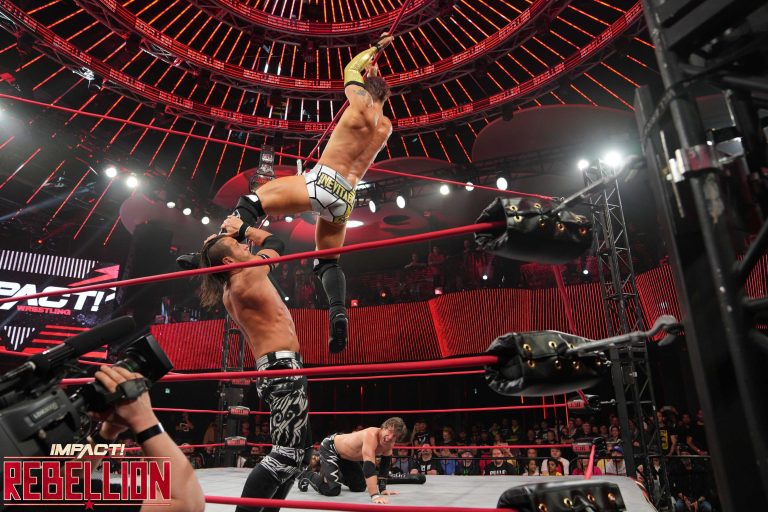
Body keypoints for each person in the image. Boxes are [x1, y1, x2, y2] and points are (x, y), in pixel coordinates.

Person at [181, 32, 395, 355]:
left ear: (366, 90)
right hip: (347, 197)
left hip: (323, 180)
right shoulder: (386, 126)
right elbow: (377, 100)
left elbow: (351, 68)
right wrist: (377, 84)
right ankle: (338, 313)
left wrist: (375, 49)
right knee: (327, 261)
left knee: (253, 201)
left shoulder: (359, 103)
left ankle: (207, 254)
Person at [199, 218, 312, 512]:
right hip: (283, 370)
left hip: (277, 368)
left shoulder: (232, 285)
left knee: (300, 453)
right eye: (238, 246)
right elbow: (276, 243)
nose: (245, 246)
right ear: (228, 261)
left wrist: (230, 238)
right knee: (286, 455)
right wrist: (244, 228)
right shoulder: (247, 276)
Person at [24, 365, 205, 512]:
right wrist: (143, 419)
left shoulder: (21, 486)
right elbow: (189, 505)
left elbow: (63, 484)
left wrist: (107, 434)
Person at [298, 417, 407, 504]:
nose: (390, 437)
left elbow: (385, 465)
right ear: (383, 428)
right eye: (389, 431)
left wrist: (382, 489)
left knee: (359, 486)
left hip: (347, 457)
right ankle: (306, 474)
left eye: (394, 436)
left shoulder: (389, 444)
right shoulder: (371, 435)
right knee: (332, 489)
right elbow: (369, 467)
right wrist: (375, 495)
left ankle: (333, 476)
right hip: (331, 447)